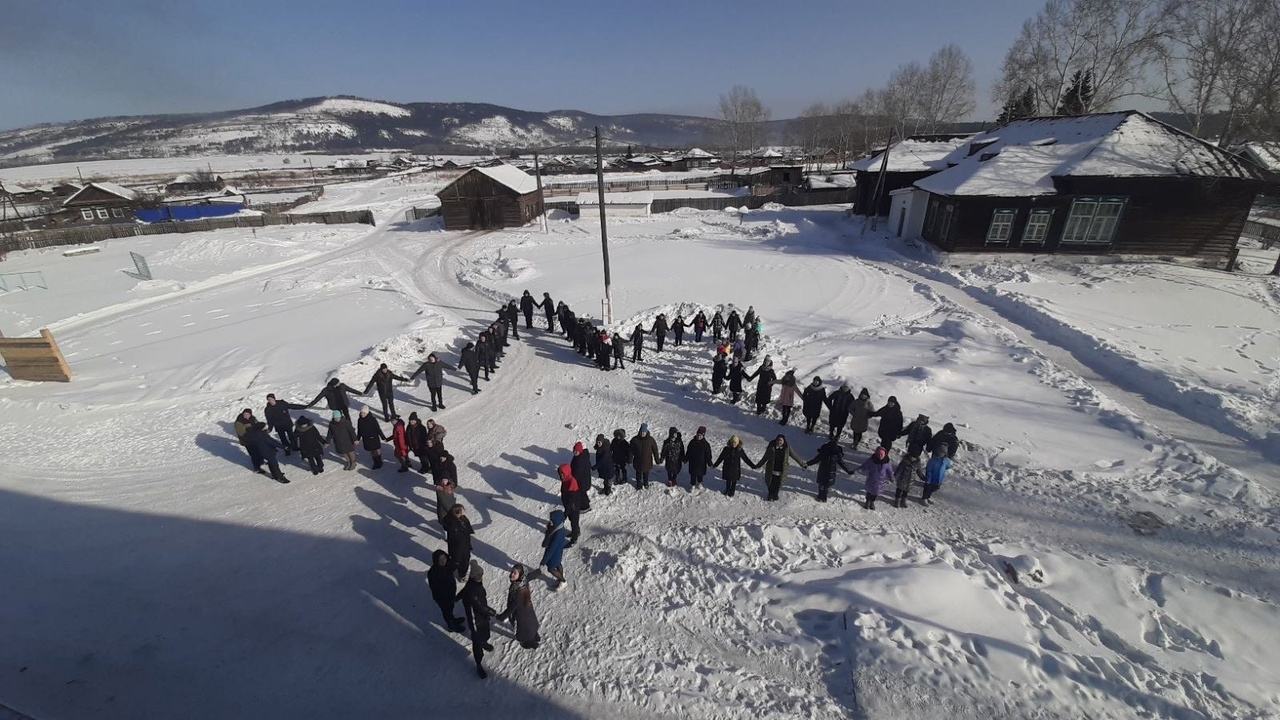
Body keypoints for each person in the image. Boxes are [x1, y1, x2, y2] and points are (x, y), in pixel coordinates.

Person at [458, 561, 497, 679]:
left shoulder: (473, 584)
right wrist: (492, 612)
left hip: (482, 617)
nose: (480, 577)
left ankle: (484, 642)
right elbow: (479, 605)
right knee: (477, 640)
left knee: (484, 632)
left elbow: (463, 592)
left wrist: (456, 598)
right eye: (477, 575)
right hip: (475, 619)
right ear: (472, 577)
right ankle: (479, 663)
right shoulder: (471, 591)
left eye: (481, 574)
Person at [497, 564, 540, 649]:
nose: (512, 574)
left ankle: (529, 643)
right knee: (531, 624)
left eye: (515, 573)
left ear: (520, 575)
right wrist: (538, 572)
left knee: (524, 628)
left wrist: (502, 617)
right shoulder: (523, 580)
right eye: (512, 572)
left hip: (520, 613)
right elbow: (530, 576)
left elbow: (512, 607)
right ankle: (535, 637)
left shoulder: (518, 591)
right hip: (528, 610)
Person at [755, 434, 806, 501]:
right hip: (772, 469)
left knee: (778, 484)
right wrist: (758, 465)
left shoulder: (787, 448)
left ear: (784, 441)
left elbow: (795, 456)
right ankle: (770, 494)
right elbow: (765, 457)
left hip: (782, 470)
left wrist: (802, 464)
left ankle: (775, 494)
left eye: (781, 440)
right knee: (770, 483)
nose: (779, 442)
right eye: (778, 440)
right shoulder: (771, 447)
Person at [428, 550, 467, 633]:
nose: (443, 561)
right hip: (442, 597)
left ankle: (453, 620)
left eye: (444, 558)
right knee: (447, 611)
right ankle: (451, 626)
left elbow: (454, 565)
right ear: (436, 560)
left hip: (450, 593)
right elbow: (435, 588)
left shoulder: (448, 565)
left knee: (450, 608)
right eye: (440, 559)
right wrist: (441, 599)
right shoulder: (433, 573)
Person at [444, 504, 475, 581]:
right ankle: (461, 576)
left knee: (462, 561)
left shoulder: (461, 519)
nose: (464, 512)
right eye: (462, 510)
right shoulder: (454, 525)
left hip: (464, 546)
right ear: (458, 512)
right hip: (459, 550)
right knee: (460, 562)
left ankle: (460, 571)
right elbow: (458, 542)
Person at [540, 509, 569, 589]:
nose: (550, 522)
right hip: (558, 552)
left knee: (551, 568)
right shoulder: (560, 528)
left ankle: (562, 581)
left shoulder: (557, 534)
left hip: (554, 554)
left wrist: (543, 562)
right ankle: (560, 578)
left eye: (552, 520)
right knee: (558, 564)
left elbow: (551, 549)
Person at [629, 423, 660, 489]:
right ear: (640, 431)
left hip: (647, 461)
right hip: (638, 461)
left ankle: (646, 483)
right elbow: (631, 451)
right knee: (638, 474)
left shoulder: (651, 440)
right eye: (642, 432)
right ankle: (638, 483)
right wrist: (630, 459)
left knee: (646, 473)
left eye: (644, 432)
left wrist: (657, 459)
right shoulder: (635, 440)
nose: (643, 433)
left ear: (646, 432)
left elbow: (655, 450)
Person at [557, 463, 582, 547]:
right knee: (573, 521)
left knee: (574, 523)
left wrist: (566, 512)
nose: (561, 475)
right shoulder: (565, 480)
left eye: (562, 473)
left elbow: (571, 500)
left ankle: (574, 539)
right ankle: (577, 532)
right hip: (569, 505)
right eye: (560, 473)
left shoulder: (572, 482)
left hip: (573, 507)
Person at [570, 442, 593, 511]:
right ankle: (586, 501)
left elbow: (577, 473)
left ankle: (585, 507)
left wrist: (571, 478)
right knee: (582, 493)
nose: (574, 452)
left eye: (576, 451)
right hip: (584, 480)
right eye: (574, 450)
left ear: (580, 451)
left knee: (580, 493)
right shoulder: (581, 455)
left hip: (582, 482)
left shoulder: (580, 460)